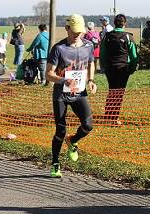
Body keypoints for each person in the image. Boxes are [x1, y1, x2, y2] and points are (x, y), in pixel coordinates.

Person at [46, 14, 97, 178]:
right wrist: (64, 80)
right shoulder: (58, 48)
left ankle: (73, 140)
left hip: (79, 92)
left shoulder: (88, 45)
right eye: (74, 31)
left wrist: (91, 80)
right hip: (61, 94)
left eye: (80, 31)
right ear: (67, 28)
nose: (77, 34)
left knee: (88, 125)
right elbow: (48, 74)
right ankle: (55, 163)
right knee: (60, 130)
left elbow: (91, 63)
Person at [100, 14, 138, 125]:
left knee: (112, 91)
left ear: (114, 22)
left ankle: (108, 115)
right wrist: (132, 68)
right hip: (123, 69)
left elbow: (102, 53)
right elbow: (134, 55)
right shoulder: (128, 37)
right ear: (125, 23)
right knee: (119, 93)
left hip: (110, 68)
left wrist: (104, 66)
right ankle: (114, 118)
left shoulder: (107, 36)